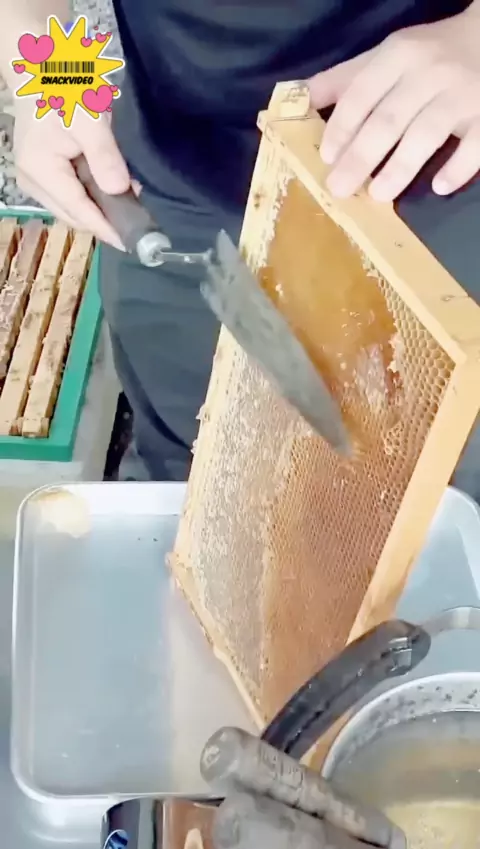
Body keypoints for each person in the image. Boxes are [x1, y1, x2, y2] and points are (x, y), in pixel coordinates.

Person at [1, 0, 480, 486]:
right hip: (175, 181)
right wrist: (55, 77)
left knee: (443, 470)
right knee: (198, 467)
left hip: (430, 169)